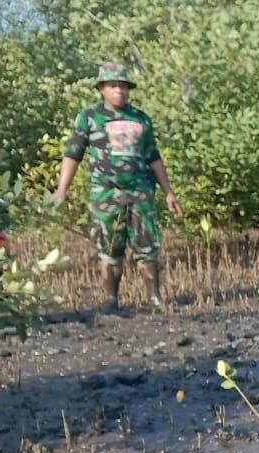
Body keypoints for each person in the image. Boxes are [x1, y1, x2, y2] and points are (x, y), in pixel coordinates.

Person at [51, 62, 182, 312]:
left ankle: (155, 298)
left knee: (148, 248)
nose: (119, 91)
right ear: (102, 88)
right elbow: (73, 153)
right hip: (106, 193)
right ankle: (112, 300)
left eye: (123, 86)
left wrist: (168, 192)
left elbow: (154, 156)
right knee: (110, 249)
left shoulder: (141, 118)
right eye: (113, 86)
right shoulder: (89, 116)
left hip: (141, 192)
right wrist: (61, 189)